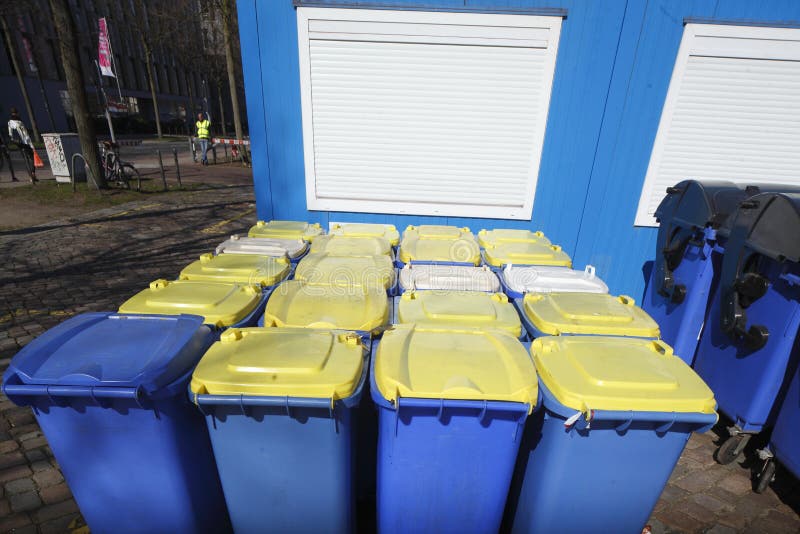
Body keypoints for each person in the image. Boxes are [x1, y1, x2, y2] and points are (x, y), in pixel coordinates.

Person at [7, 108, 37, 183]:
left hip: (17, 143)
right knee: (32, 157)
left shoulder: (9, 122)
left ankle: (30, 176)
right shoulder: (20, 122)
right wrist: (31, 145)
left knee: (25, 159)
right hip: (24, 142)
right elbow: (26, 135)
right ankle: (33, 175)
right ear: (17, 113)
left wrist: (13, 140)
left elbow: (10, 134)